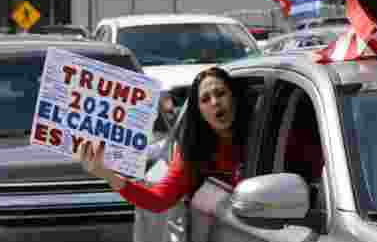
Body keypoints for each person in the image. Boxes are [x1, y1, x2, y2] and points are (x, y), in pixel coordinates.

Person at [76, 66, 248, 213]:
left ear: (233, 96)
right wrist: (106, 174)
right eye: (205, 99)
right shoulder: (192, 150)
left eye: (220, 93)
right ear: (200, 112)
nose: (215, 102)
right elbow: (159, 199)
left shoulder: (265, 132)